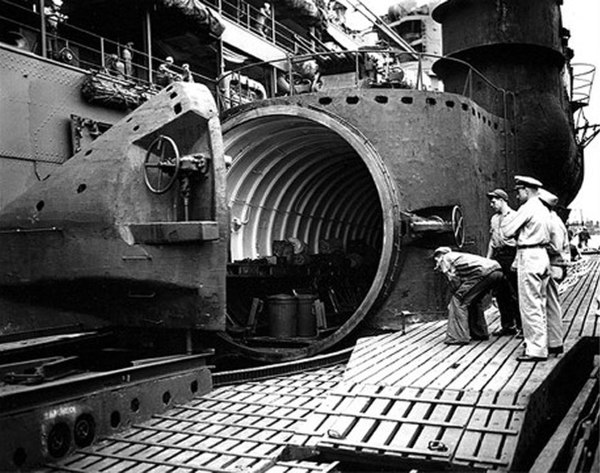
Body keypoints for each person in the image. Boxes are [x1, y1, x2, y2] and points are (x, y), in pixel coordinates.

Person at [501, 175, 551, 362]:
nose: (517, 195)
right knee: (540, 303)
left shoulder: (527, 208)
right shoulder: (544, 209)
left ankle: (535, 350)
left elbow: (506, 232)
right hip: (542, 255)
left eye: (519, 191)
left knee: (529, 305)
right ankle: (542, 344)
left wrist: (509, 220)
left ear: (526, 190)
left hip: (528, 256)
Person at [433, 247, 505, 345]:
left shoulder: (445, 258)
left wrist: (454, 297)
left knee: (458, 300)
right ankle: (479, 333)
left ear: (439, 256)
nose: (436, 261)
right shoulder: (459, 257)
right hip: (497, 270)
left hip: (483, 272)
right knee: (474, 300)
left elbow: (453, 279)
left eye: (436, 258)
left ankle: (457, 337)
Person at [485, 188, 521, 336]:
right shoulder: (494, 219)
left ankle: (521, 327)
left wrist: (517, 260)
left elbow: (520, 240)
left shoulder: (516, 216)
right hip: (499, 256)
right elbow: (492, 242)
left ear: (502, 200)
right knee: (501, 292)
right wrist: (488, 260)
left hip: (511, 255)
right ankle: (507, 326)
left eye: (494, 202)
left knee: (516, 292)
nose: (492, 204)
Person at [538, 189, 570, 356]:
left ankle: (555, 343)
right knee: (549, 304)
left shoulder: (552, 221)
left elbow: (556, 247)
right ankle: (553, 342)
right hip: (553, 265)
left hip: (555, 265)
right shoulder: (553, 219)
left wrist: (537, 245)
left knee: (550, 305)